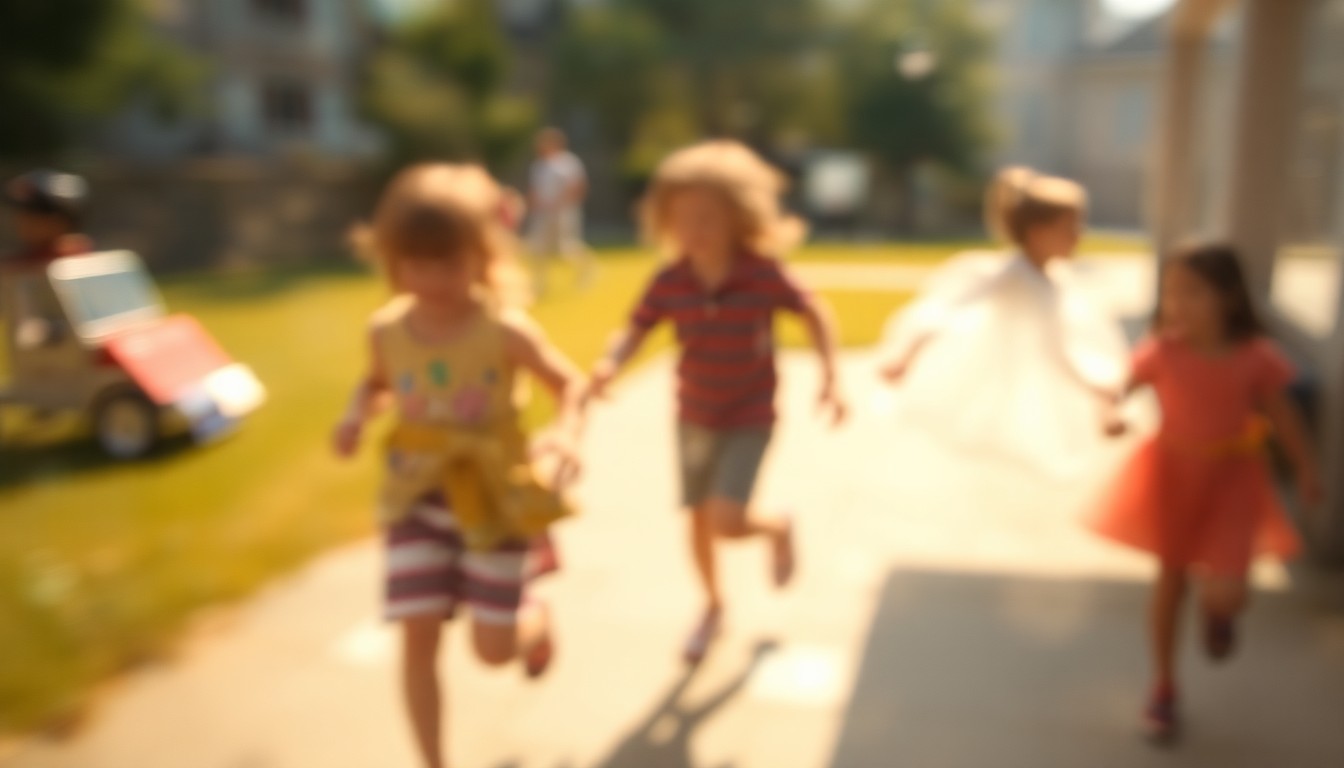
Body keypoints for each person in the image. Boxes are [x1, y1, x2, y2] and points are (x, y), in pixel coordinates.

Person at [332, 164, 587, 768]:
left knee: (492, 653)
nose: (431, 280)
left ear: (482, 253)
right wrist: (355, 413)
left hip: (496, 499)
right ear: (392, 260)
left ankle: (533, 622)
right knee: (417, 633)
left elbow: (569, 385)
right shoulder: (387, 331)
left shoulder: (503, 330)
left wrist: (566, 434)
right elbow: (376, 384)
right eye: (414, 265)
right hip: (415, 499)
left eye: (447, 264)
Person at [586, 140, 847, 664]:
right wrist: (610, 365)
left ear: (739, 218)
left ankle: (776, 525)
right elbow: (635, 329)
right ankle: (711, 605)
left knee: (728, 520)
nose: (693, 230)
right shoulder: (670, 280)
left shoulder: (761, 274)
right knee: (699, 519)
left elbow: (813, 312)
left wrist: (831, 376)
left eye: (706, 218)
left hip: (749, 414)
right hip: (693, 414)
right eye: (681, 219)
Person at [1091, 242, 1322, 743]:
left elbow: (1284, 416)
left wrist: (1306, 469)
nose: (1178, 303)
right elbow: (1120, 386)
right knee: (1171, 580)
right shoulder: (1163, 350)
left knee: (1229, 590)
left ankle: (1220, 612)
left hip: (1232, 480)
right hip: (1172, 476)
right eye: (1171, 291)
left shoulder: (1256, 357)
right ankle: (1163, 686)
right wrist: (1110, 413)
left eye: (1193, 292)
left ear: (1229, 297)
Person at [878, 166, 1130, 475]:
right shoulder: (1009, 273)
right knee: (977, 430)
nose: (1080, 235)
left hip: (1025, 376)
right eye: (1070, 227)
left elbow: (1063, 347)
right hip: (984, 372)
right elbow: (946, 309)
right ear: (1038, 232)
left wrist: (1101, 397)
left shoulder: (1056, 282)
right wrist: (905, 356)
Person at [2, 170, 94, 352]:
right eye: (21, 213)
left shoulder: (69, 265)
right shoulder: (25, 261)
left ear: (62, 220)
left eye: (34, 214)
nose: (21, 221)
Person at [527, 127, 591, 294]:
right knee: (538, 248)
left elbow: (577, 186)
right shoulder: (538, 166)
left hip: (563, 212)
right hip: (543, 213)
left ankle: (587, 269)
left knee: (565, 248)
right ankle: (540, 283)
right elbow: (535, 190)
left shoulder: (568, 162)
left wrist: (561, 204)